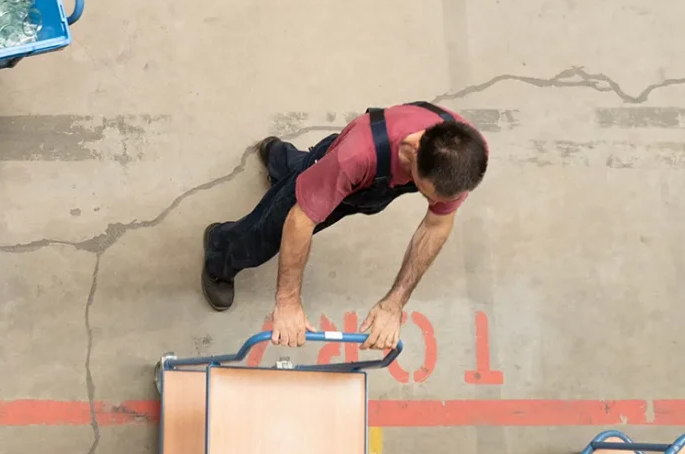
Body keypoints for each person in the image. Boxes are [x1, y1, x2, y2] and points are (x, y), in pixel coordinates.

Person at [200, 101, 488, 349]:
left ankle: (277, 155)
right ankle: (219, 249)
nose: (429, 201)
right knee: (263, 237)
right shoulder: (356, 156)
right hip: (350, 167)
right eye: (422, 191)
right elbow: (300, 221)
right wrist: (288, 302)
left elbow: (437, 224)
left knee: (308, 172)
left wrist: (394, 303)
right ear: (414, 147)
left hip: (353, 177)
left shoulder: (463, 155)